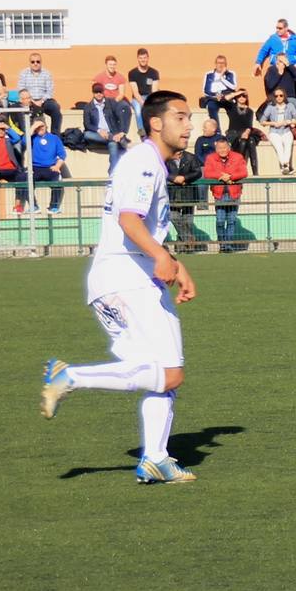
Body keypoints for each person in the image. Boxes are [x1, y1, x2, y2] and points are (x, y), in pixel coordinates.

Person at [39, 90, 200, 484]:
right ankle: (70, 376)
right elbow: (130, 220)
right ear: (156, 123)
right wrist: (162, 257)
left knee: (155, 371)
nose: (189, 125)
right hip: (128, 279)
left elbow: (138, 226)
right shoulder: (144, 163)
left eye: (189, 117)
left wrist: (173, 263)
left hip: (124, 277)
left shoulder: (148, 162)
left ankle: (156, 458)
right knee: (169, 374)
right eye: (180, 117)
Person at [204, 136, 247, 253]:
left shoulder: (238, 157)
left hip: (234, 193)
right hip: (219, 194)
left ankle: (228, 245)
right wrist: (221, 176)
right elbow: (207, 173)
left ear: (229, 147)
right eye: (219, 148)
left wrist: (231, 177)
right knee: (220, 221)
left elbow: (244, 172)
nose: (222, 150)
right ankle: (222, 244)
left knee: (231, 221)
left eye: (224, 148)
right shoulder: (210, 158)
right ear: (216, 148)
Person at [18, 119, 66, 213]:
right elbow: (23, 142)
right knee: (24, 179)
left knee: (58, 181)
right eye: (38, 127)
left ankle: (54, 207)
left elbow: (62, 154)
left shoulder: (54, 138)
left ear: (46, 126)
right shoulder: (32, 138)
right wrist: (32, 127)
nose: (40, 128)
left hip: (50, 168)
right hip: (35, 168)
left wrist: (57, 166)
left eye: (42, 126)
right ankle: (34, 206)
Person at [83, 83, 133, 172]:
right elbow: (87, 124)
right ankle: (116, 139)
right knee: (87, 134)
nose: (99, 94)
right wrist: (99, 130)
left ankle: (112, 173)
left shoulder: (111, 103)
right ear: (93, 93)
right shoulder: (88, 107)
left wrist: (122, 132)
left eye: (100, 92)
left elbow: (124, 109)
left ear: (103, 92)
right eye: (96, 92)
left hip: (112, 133)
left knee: (113, 144)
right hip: (97, 135)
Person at [165, 142, 204, 253]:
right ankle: (189, 239)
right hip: (172, 194)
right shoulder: (166, 158)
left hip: (189, 193)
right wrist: (174, 178)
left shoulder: (191, 157)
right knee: (174, 217)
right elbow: (162, 171)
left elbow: (198, 172)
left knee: (188, 221)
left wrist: (184, 178)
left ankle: (183, 247)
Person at [254, 18, 296, 98]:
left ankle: (295, 99)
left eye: (280, 28)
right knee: (269, 81)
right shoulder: (272, 39)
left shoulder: (295, 40)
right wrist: (258, 62)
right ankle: (270, 98)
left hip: (290, 66)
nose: (278, 30)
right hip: (276, 66)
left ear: (286, 28)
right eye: (277, 28)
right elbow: (263, 51)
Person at [259, 88, 296, 175]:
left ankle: (285, 166)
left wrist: (289, 122)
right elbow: (262, 121)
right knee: (279, 148)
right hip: (274, 132)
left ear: (284, 96)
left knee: (288, 147)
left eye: (281, 95)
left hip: (286, 130)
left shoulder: (290, 106)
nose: (278, 97)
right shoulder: (270, 107)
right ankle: (286, 166)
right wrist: (273, 123)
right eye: (276, 96)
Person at [17, 52, 62, 133]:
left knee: (55, 108)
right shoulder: (24, 73)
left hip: (44, 101)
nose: (35, 64)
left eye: (38, 61)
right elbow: (22, 90)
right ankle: (26, 134)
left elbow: (50, 91)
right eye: (33, 62)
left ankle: (55, 136)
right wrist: (31, 100)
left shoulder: (47, 73)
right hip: (29, 100)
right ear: (30, 63)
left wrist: (41, 101)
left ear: (41, 62)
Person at [225, 90, 263, 175]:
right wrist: (238, 92)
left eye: (244, 96)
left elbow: (249, 125)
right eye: (240, 96)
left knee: (251, 141)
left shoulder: (249, 111)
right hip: (233, 134)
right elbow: (225, 99)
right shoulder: (232, 107)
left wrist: (246, 132)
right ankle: (240, 169)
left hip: (245, 133)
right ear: (236, 97)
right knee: (243, 142)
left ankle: (255, 172)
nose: (242, 98)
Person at [126, 48, 161, 134]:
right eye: (141, 58)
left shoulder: (154, 72)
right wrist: (143, 103)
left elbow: (154, 91)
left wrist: (149, 102)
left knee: (157, 109)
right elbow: (135, 93)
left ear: (148, 58)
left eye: (145, 57)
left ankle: (155, 132)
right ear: (138, 59)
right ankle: (142, 133)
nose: (143, 60)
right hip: (137, 99)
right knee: (138, 111)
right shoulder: (132, 73)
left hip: (150, 97)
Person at [201, 55, 240, 126]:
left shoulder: (231, 73)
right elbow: (205, 90)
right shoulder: (208, 74)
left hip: (227, 98)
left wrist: (222, 77)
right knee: (211, 106)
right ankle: (217, 130)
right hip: (214, 98)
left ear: (226, 64)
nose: (220, 65)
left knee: (234, 109)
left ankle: (233, 129)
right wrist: (216, 95)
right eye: (219, 63)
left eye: (223, 63)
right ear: (215, 64)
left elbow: (233, 87)